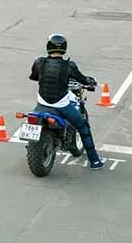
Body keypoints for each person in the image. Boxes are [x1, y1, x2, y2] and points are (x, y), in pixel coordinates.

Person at [29, 34, 104, 170]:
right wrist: (90, 81)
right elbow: (82, 79)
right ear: (64, 48)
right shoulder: (69, 66)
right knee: (83, 127)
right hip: (61, 104)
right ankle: (95, 161)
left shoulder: (39, 62)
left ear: (48, 46)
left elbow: (33, 77)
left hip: (42, 103)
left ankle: (32, 144)